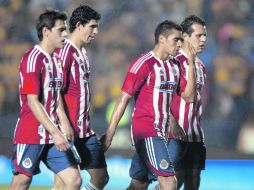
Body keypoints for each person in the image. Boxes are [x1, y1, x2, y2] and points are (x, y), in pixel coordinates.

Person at [101, 20, 195, 190]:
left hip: (162, 131)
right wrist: (110, 133)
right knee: (169, 183)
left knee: (139, 183)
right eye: (176, 39)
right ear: (161, 39)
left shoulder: (175, 66)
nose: (179, 44)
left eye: (181, 40)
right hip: (146, 130)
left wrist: (192, 63)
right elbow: (124, 97)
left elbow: (187, 97)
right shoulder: (143, 63)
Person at [9, 9, 82, 190]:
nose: (65, 34)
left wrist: (63, 121)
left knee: (73, 180)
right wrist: (56, 133)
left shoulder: (55, 60)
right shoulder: (32, 59)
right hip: (31, 133)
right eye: (60, 30)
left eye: (65, 29)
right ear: (46, 31)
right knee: (22, 182)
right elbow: (33, 102)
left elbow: (54, 94)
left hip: (52, 134)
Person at [53, 5, 109, 190]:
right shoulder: (64, 51)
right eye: (92, 27)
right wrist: (64, 122)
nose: (96, 31)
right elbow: (55, 90)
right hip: (65, 129)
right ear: (78, 25)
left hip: (84, 130)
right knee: (65, 183)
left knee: (101, 177)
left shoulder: (83, 53)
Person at [168, 15, 207, 190]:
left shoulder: (201, 65)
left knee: (193, 180)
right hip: (176, 135)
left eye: (205, 35)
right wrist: (171, 122)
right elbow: (164, 97)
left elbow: (195, 101)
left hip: (195, 134)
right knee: (174, 181)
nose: (204, 39)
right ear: (185, 36)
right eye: (199, 35)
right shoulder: (173, 63)